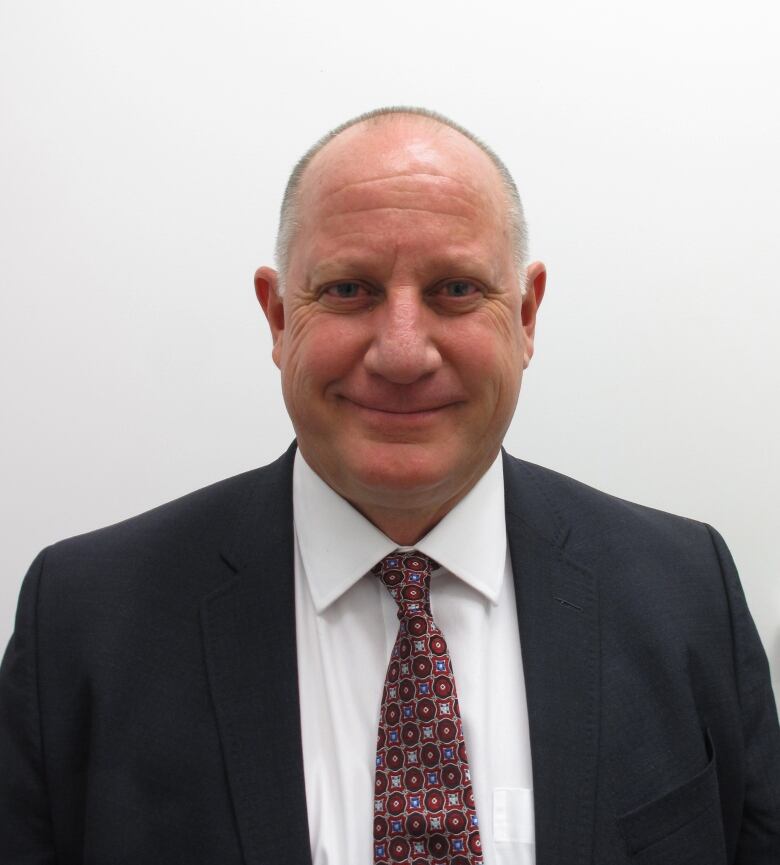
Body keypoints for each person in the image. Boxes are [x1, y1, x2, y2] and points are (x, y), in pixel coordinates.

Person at [1, 106, 778, 865]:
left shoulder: (688, 593)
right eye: (349, 290)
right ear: (277, 318)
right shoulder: (81, 622)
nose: (403, 353)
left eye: (456, 290)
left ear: (528, 314)